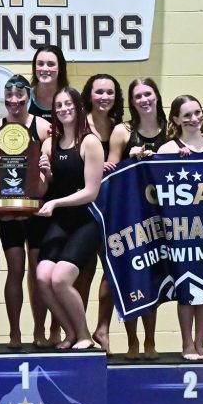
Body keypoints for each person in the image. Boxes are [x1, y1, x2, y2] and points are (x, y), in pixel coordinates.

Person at [158, 95, 203, 359]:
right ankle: (187, 343)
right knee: (187, 289)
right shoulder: (168, 149)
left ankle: (200, 343)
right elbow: (152, 179)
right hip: (182, 232)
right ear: (175, 119)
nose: (194, 119)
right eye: (186, 115)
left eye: (197, 112)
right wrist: (173, 162)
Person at [35, 88, 104, 350]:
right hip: (59, 220)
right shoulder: (49, 144)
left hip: (85, 220)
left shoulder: (90, 142)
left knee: (60, 279)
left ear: (79, 107)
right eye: (59, 105)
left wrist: (55, 202)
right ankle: (71, 332)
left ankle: (84, 334)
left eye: (69, 104)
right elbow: (45, 188)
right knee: (42, 277)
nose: (64, 109)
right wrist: (44, 175)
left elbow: (90, 192)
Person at [0, 75, 53, 348]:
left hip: (36, 211)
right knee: (15, 269)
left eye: (20, 96)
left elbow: (50, 176)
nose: (14, 101)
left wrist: (45, 173)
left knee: (37, 270)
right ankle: (14, 332)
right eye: (9, 97)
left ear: (29, 97)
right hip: (8, 213)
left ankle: (39, 330)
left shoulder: (44, 128)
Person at [108, 77, 166, 358]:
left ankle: (151, 342)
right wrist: (128, 160)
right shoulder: (123, 131)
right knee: (132, 277)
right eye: (138, 96)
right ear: (132, 102)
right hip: (130, 215)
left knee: (154, 277)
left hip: (162, 216)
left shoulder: (170, 129)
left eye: (148, 94)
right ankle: (132, 342)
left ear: (157, 96)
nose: (144, 100)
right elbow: (109, 172)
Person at [82, 74, 123, 350]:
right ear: (89, 95)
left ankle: (102, 328)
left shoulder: (120, 128)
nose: (104, 97)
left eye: (110, 92)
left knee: (112, 271)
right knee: (83, 273)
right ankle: (78, 329)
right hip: (84, 209)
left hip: (112, 209)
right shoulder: (79, 124)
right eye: (99, 92)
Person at [29, 45, 68, 122]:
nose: (45, 69)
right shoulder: (26, 97)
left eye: (51, 64)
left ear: (60, 68)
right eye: (40, 64)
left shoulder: (71, 98)